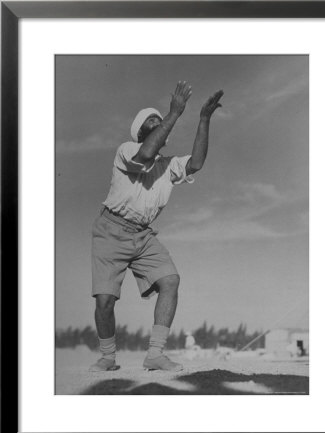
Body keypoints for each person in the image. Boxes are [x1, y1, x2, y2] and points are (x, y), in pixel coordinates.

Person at [89, 81, 224, 372]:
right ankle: (107, 357)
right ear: (141, 132)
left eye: (161, 120)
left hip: (142, 234)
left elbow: (197, 162)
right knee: (105, 300)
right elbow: (145, 156)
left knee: (170, 281)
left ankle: (155, 354)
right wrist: (174, 113)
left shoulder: (168, 165)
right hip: (110, 230)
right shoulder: (127, 150)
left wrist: (203, 119)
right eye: (154, 121)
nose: (160, 122)